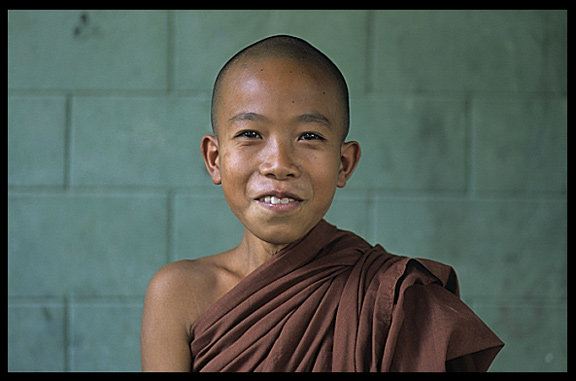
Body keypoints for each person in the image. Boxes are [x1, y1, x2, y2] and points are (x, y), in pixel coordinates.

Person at [140, 35, 504, 372]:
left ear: (343, 163)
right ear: (215, 158)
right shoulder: (178, 294)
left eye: (309, 136)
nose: (279, 164)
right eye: (251, 134)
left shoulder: (393, 301)